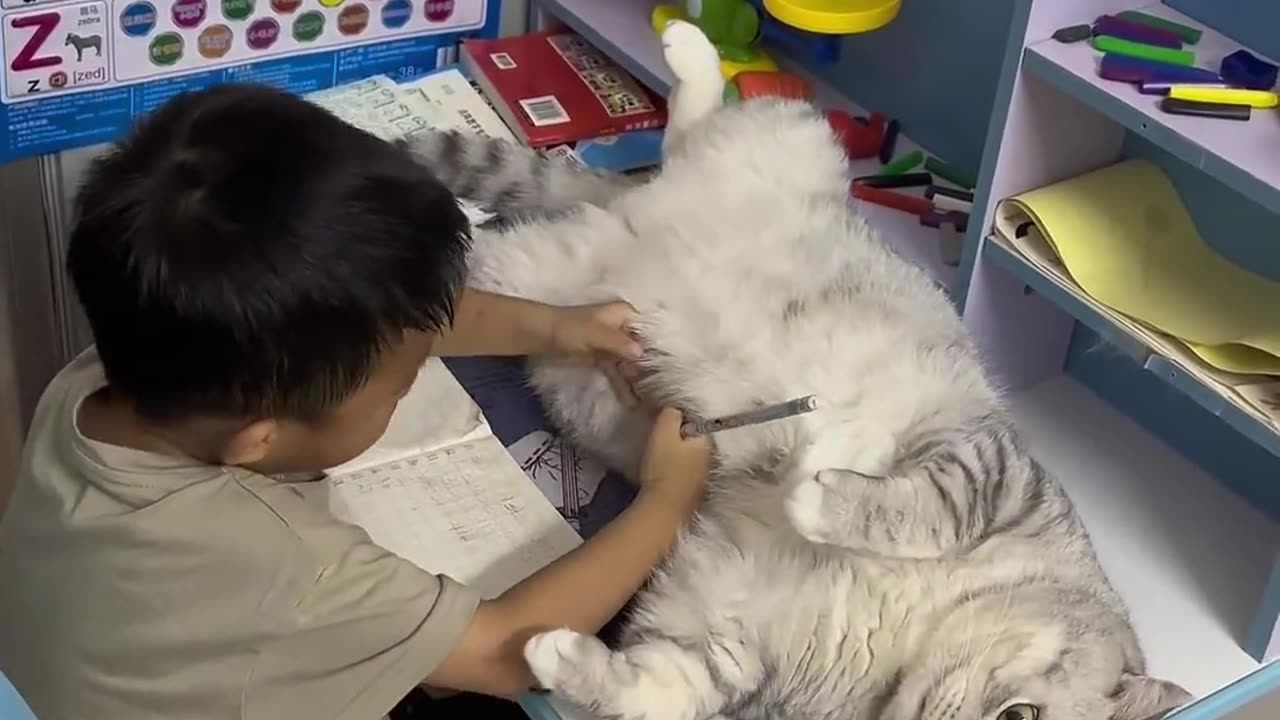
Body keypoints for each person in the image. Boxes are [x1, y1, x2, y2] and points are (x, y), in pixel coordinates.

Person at [0, 83, 712, 720]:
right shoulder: (284, 563)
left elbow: (384, 325)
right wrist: (665, 500)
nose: (413, 365)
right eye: (400, 387)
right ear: (260, 439)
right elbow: (504, 656)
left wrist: (556, 326)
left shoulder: (112, 372)